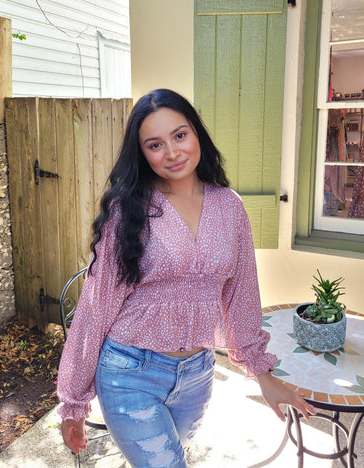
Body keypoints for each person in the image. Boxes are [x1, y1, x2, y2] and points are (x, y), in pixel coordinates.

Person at [57, 88, 315, 467]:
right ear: (142, 153)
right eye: (155, 144)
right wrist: (74, 400)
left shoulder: (229, 206)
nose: (173, 152)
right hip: (129, 372)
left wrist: (262, 374)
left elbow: (241, 295)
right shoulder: (128, 210)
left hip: (197, 375)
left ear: (196, 134)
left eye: (180, 135)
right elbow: (96, 306)